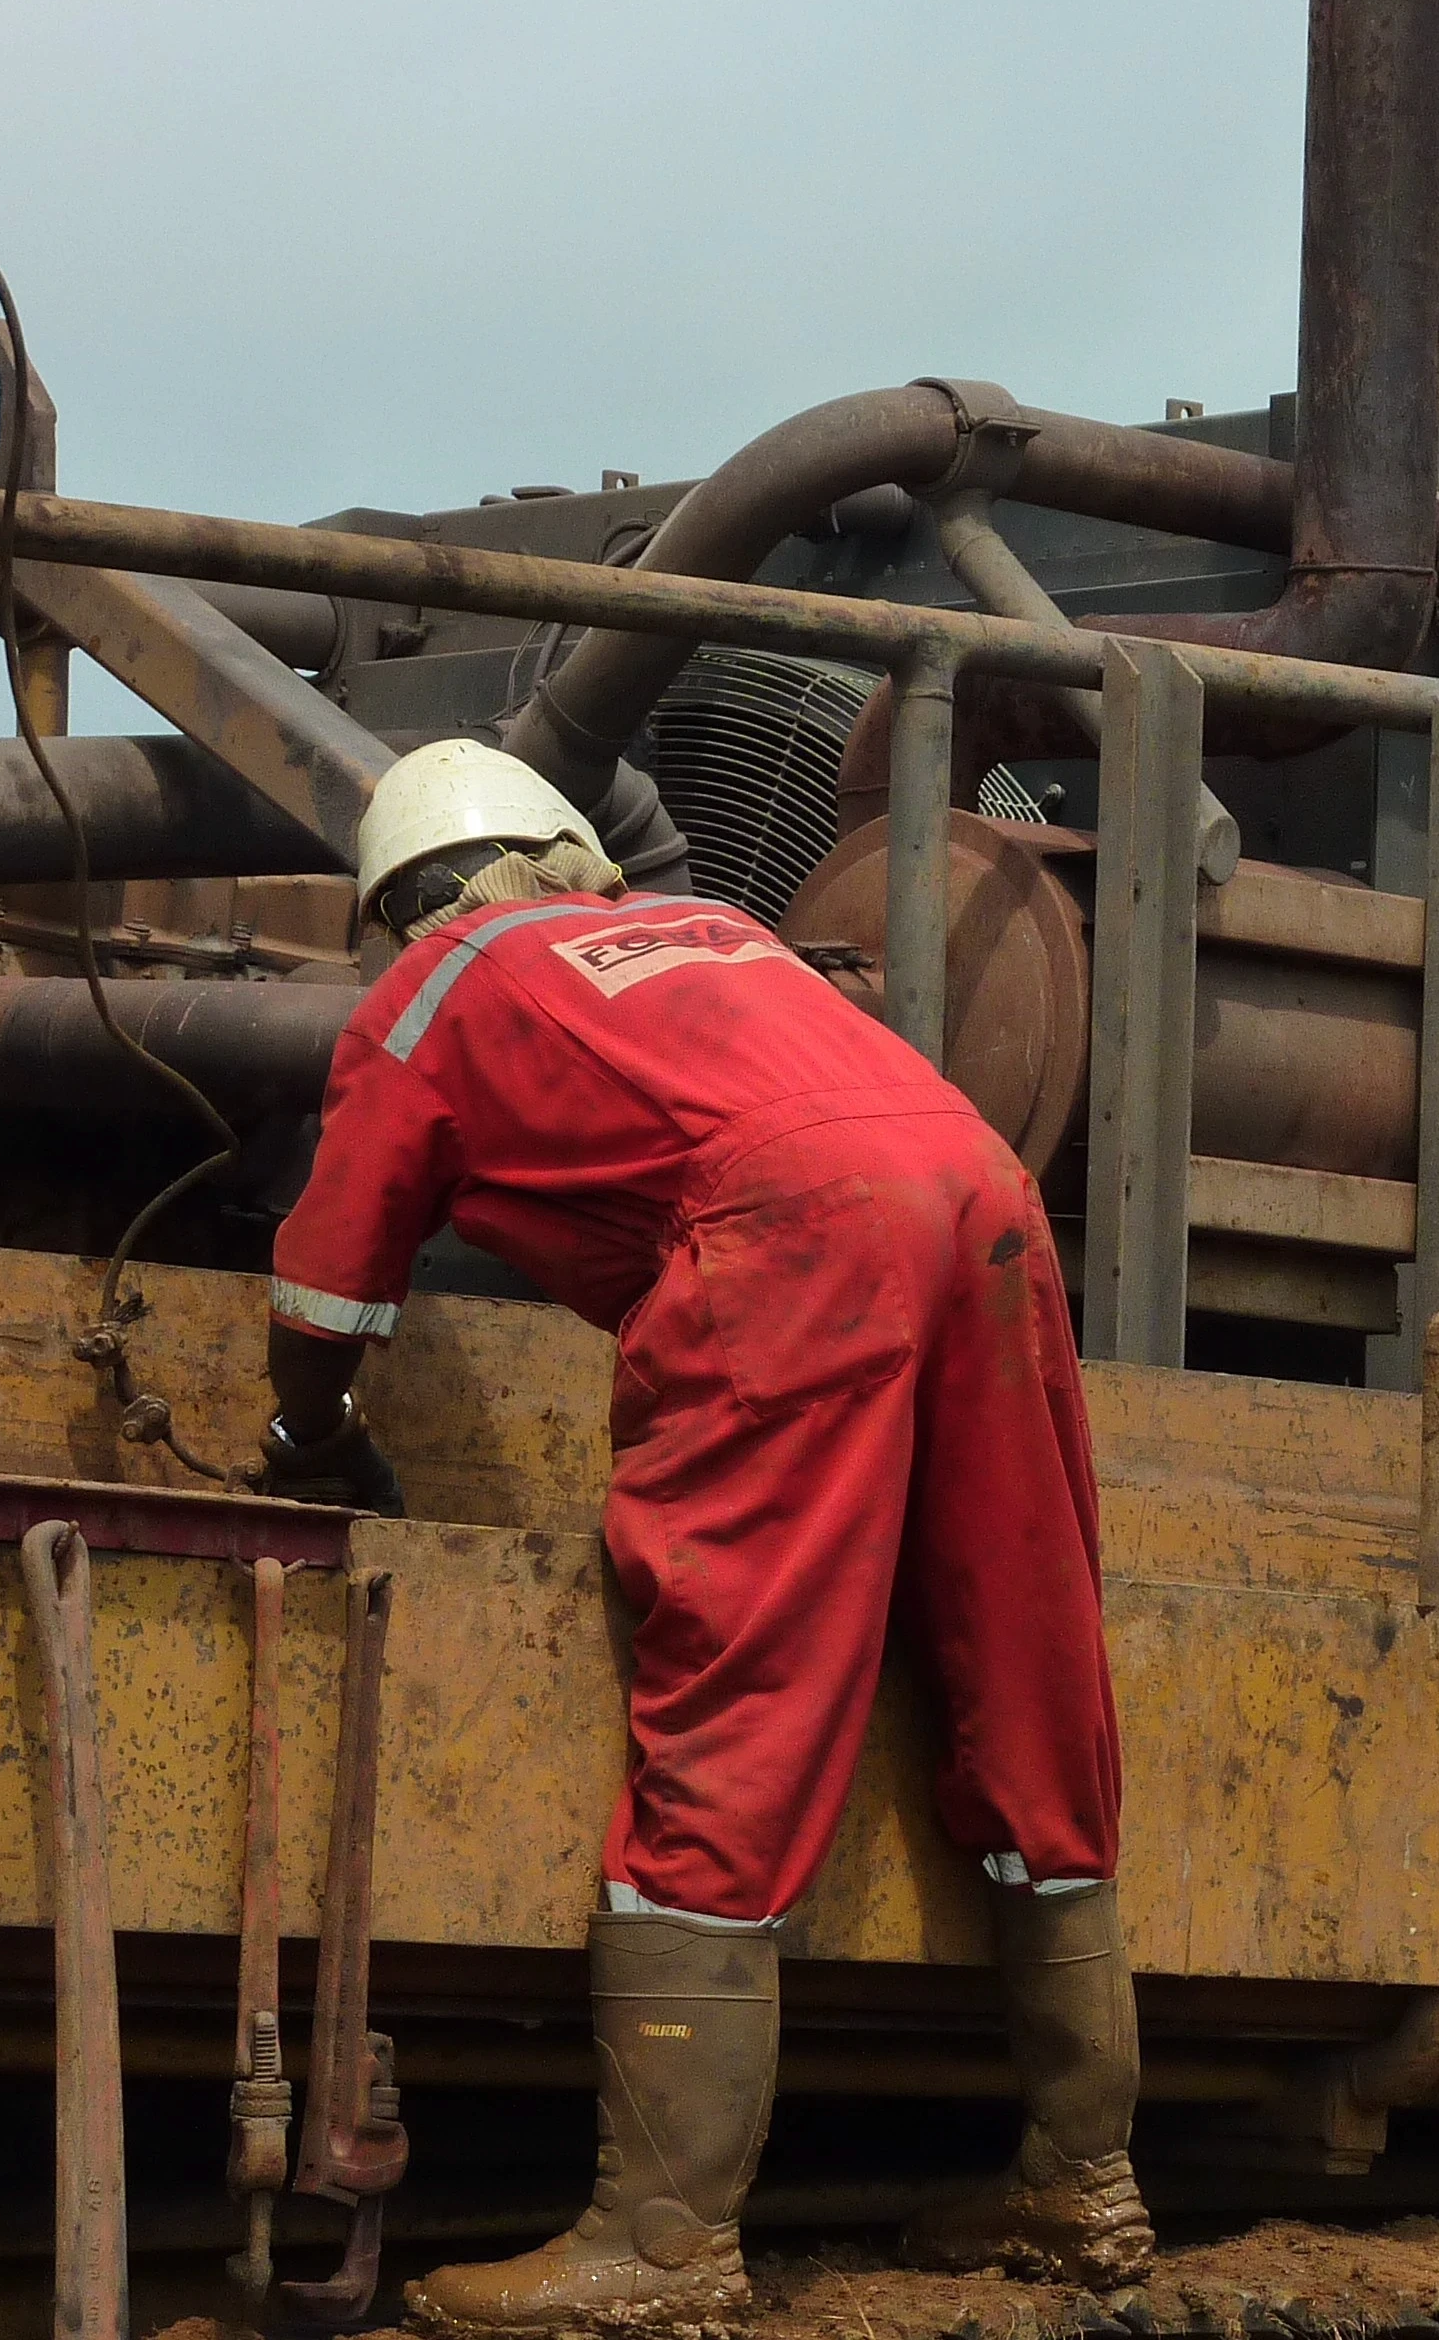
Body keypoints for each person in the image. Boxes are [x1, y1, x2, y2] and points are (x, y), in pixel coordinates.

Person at [258, 740, 1153, 2330]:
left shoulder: (430, 987)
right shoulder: (718, 927)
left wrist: (304, 1435)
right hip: (980, 1186)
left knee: (739, 1685)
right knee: (1026, 1655)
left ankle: (664, 2244)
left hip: (797, 1230)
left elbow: (332, 1282)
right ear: (562, 851)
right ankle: (1084, 2177)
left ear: (405, 900)